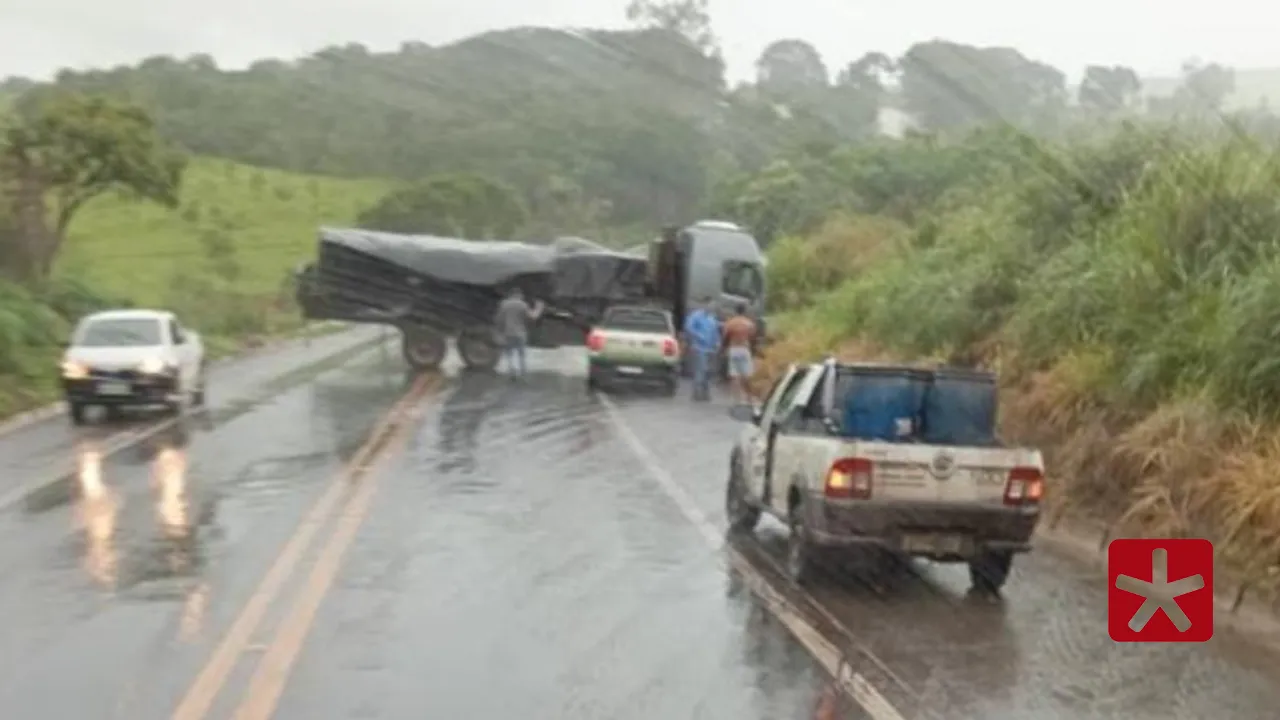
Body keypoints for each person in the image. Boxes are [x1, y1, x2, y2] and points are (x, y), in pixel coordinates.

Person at [494, 287, 543, 377]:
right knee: (521, 355)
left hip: (508, 334)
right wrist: (539, 307)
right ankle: (523, 373)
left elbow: (499, 320)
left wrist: (499, 333)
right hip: (520, 334)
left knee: (509, 354)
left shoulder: (504, 304)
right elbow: (533, 316)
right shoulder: (522, 305)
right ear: (519, 295)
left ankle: (512, 371)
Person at [682, 297, 720, 401]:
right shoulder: (696, 316)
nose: (712, 307)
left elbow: (715, 332)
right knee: (701, 370)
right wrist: (699, 336)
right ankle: (696, 393)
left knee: (709, 371)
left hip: (710, 349)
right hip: (699, 347)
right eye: (710, 304)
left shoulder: (712, 318)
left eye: (713, 305)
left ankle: (705, 393)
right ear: (705, 304)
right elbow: (688, 327)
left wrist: (717, 342)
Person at [721, 302, 758, 405]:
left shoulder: (730, 323)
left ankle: (737, 400)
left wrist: (723, 349)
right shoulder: (749, 323)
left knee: (734, 375)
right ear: (745, 311)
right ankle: (749, 398)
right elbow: (753, 339)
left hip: (733, 349)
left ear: (735, 311)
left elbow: (725, 338)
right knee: (747, 375)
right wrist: (754, 351)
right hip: (744, 348)